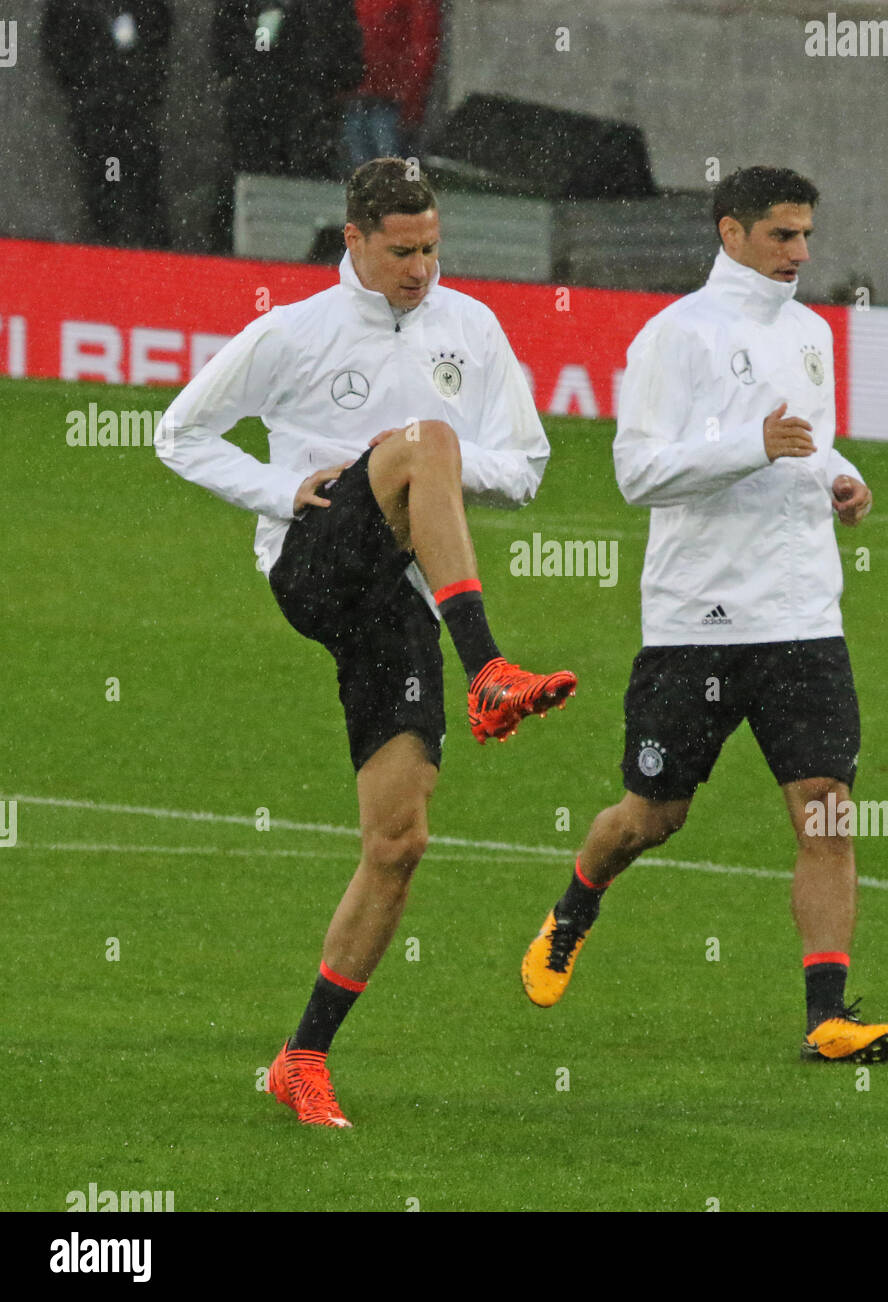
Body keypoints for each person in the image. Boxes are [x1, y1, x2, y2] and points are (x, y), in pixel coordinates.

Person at [155, 158, 576, 1126]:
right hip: (313, 558)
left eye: (431, 248)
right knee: (421, 438)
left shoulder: (471, 330)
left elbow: (528, 467)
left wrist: (432, 471)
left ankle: (301, 1055)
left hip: (402, 602)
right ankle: (491, 673)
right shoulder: (291, 332)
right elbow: (179, 433)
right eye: (400, 252)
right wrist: (279, 490)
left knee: (398, 839)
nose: (420, 269)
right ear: (352, 239)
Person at [520, 167, 888, 1066]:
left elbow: (805, 441)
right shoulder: (673, 337)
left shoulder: (811, 333)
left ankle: (826, 1017)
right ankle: (575, 906)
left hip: (803, 614)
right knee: (652, 817)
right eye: (781, 236)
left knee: (826, 812)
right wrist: (752, 448)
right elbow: (638, 473)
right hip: (697, 622)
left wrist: (837, 476)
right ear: (730, 233)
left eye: (807, 235)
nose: (800, 254)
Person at [211, 0, 364, 244]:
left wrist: (326, 77)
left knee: (299, 179)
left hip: (301, 98)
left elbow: (338, 33)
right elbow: (227, 25)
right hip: (265, 95)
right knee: (259, 175)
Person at [42, 0, 172, 248]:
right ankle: (107, 248)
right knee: (101, 187)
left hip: (132, 106)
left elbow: (160, 34)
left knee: (141, 188)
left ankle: (141, 251)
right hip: (96, 107)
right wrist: (82, 82)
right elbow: (56, 42)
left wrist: (143, 82)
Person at [345, 0, 442, 167]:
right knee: (367, 181)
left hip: (390, 104)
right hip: (363, 99)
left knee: (390, 179)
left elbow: (424, 46)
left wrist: (411, 100)